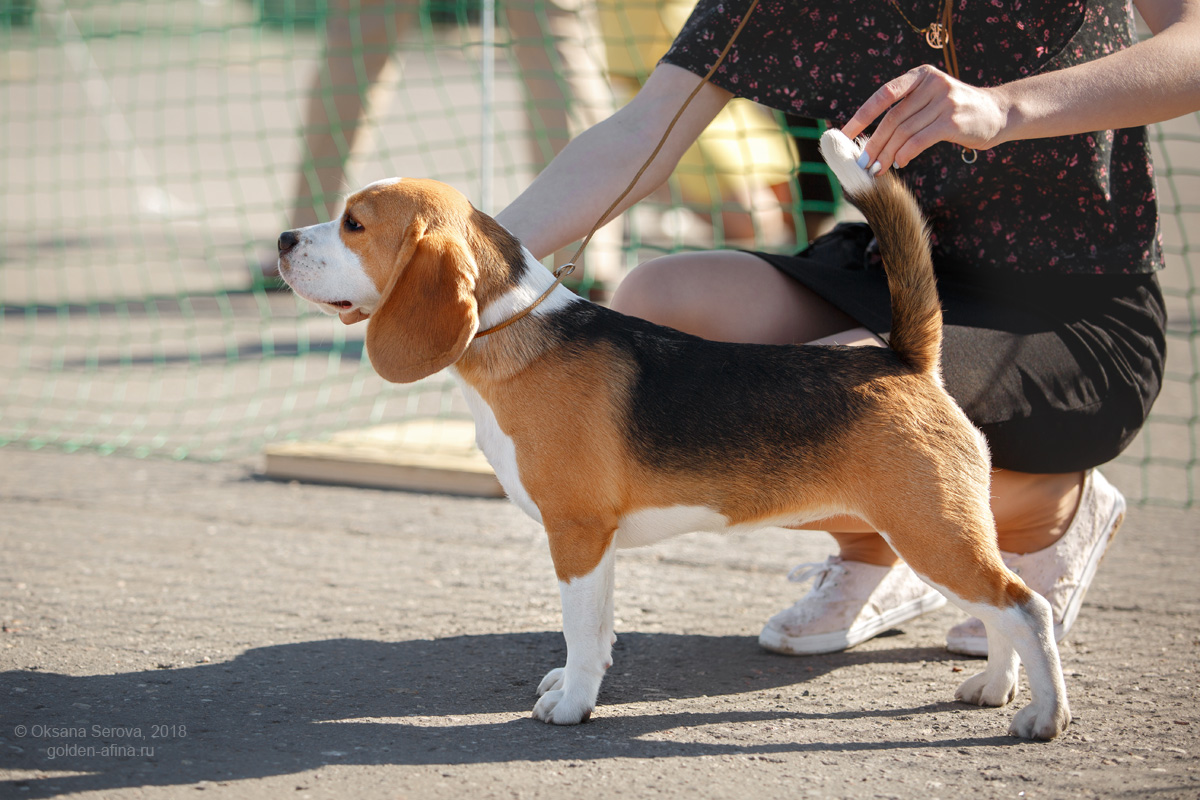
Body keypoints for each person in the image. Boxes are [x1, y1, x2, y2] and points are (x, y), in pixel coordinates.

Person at [495, 0, 1200, 656]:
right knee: (658, 298)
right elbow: (642, 132)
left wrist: (1005, 106)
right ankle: (884, 542)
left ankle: (1050, 512)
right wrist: (467, 265)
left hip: (1075, 307)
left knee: (842, 410)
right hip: (897, 269)